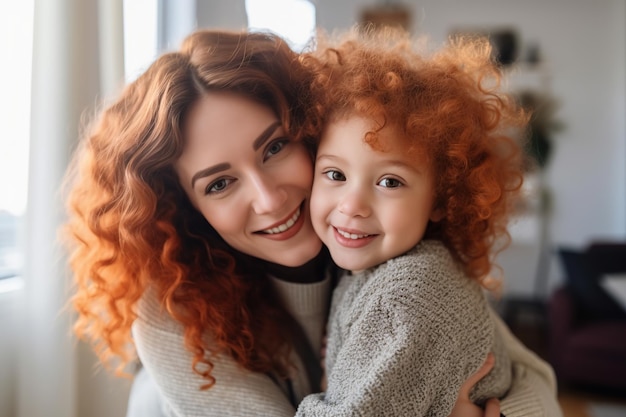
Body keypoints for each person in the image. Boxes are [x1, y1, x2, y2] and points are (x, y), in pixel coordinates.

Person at [62, 28, 561, 417]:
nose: (269, 198)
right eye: (219, 184)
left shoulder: (377, 250)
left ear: (312, 134)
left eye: (274, 148)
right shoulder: (173, 309)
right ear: (186, 209)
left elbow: (534, 381)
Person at [293, 26, 533, 416]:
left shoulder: (408, 296)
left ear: (440, 200)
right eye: (335, 175)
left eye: (390, 181)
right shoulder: (377, 270)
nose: (352, 205)